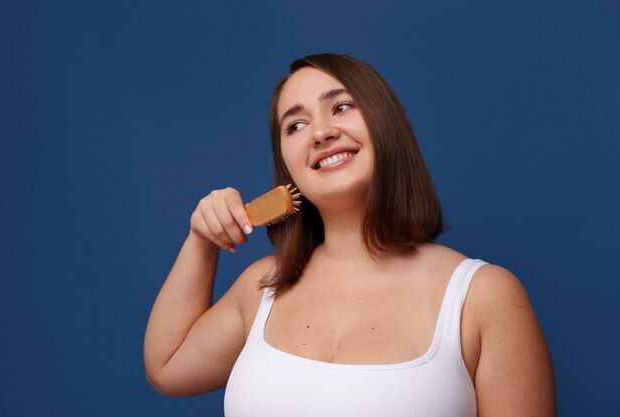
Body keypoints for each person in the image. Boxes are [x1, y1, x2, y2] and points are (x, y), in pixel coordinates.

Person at [144, 54, 556, 416]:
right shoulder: (262, 286)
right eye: (296, 125)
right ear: (288, 165)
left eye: (341, 107)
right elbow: (168, 367)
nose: (320, 133)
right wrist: (201, 239)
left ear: (384, 124)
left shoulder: (484, 297)